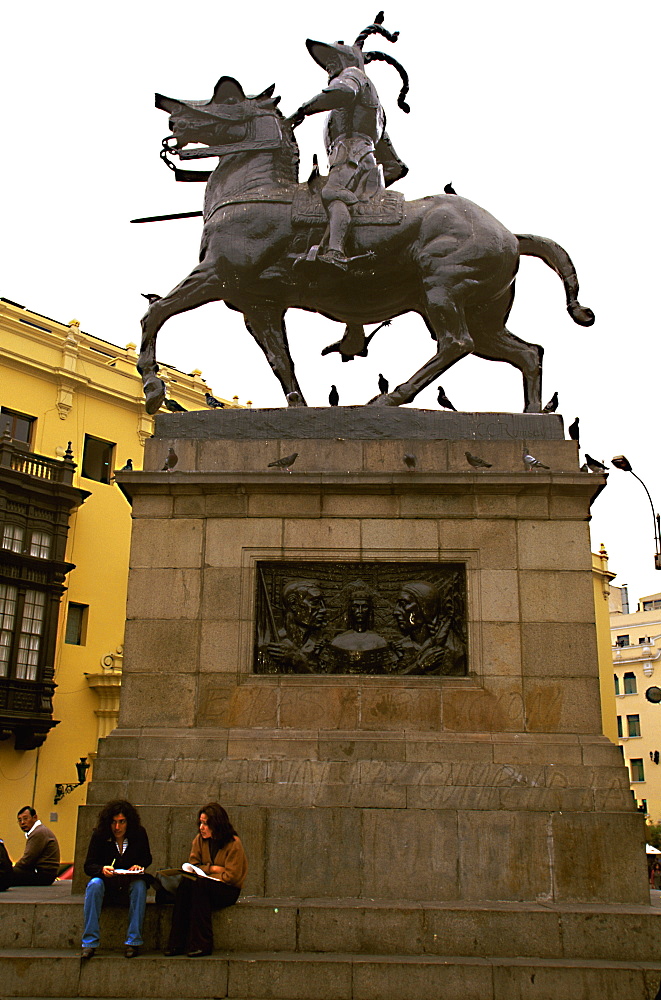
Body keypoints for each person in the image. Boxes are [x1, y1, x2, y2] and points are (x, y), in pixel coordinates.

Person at [290, 16, 408, 272]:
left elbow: (343, 92)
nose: (329, 68)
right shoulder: (377, 112)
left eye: (332, 61)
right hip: (361, 157)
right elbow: (395, 166)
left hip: (351, 155)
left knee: (332, 194)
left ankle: (335, 253)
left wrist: (302, 110)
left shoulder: (352, 77)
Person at [165, 802, 247, 957]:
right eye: (200, 823)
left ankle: (202, 944)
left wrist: (206, 872)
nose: (201, 827)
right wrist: (214, 869)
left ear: (216, 824)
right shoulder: (199, 840)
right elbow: (194, 865)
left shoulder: (233, 844)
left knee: (199, 886)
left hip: (228, 890)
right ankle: (176, 943)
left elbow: (231, 876)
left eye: (205, 824)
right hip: (205, 884)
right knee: (186, 885)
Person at [81, 800, 152, 959]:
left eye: (122, 822)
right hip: (106, 885)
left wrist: (138, 866)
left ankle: (133, 941)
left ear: (129, 822)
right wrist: (101, 869)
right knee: (93, 885)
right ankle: (89, 942)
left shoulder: (139, 834)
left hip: (129, 884)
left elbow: (147, 858)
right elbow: (88, 865)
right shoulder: (100, 836)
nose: (117, 827)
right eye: (114, 822)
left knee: (140, 886)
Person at [0, 806, 60, 891]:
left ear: (34, 817)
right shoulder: (40, 831)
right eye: (20, 820)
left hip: (43, 875)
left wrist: (11, 870)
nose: (22, 823)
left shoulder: (38, 833)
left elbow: (27, 860)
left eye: (25, 819)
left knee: (5, 875)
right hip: (46, 874)